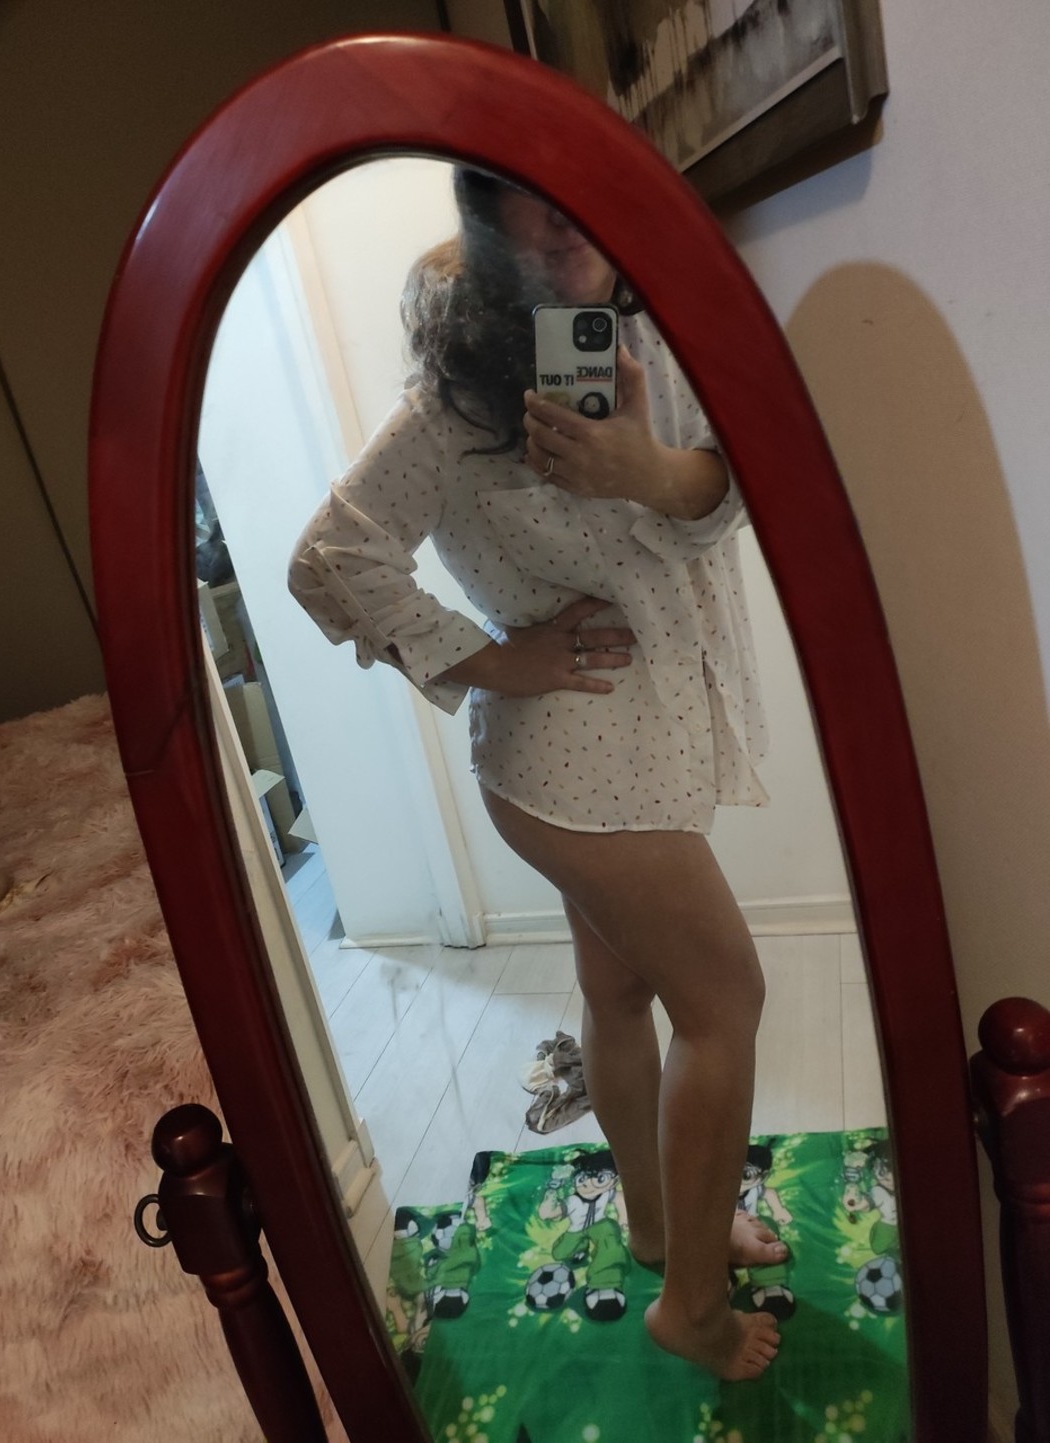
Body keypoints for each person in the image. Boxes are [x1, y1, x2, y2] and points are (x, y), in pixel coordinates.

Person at [288, 167, 786, 1380]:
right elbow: (329, 560)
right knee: (726, 1005)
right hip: (577, 772)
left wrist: (643, 471)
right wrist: (499, 659)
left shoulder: (644, 336)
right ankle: (692, 1309)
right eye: (531, 229)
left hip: (640, 741)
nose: (568, 238)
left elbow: (726, 492)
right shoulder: (451, 413)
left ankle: (660, 1229)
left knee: (619, 997)